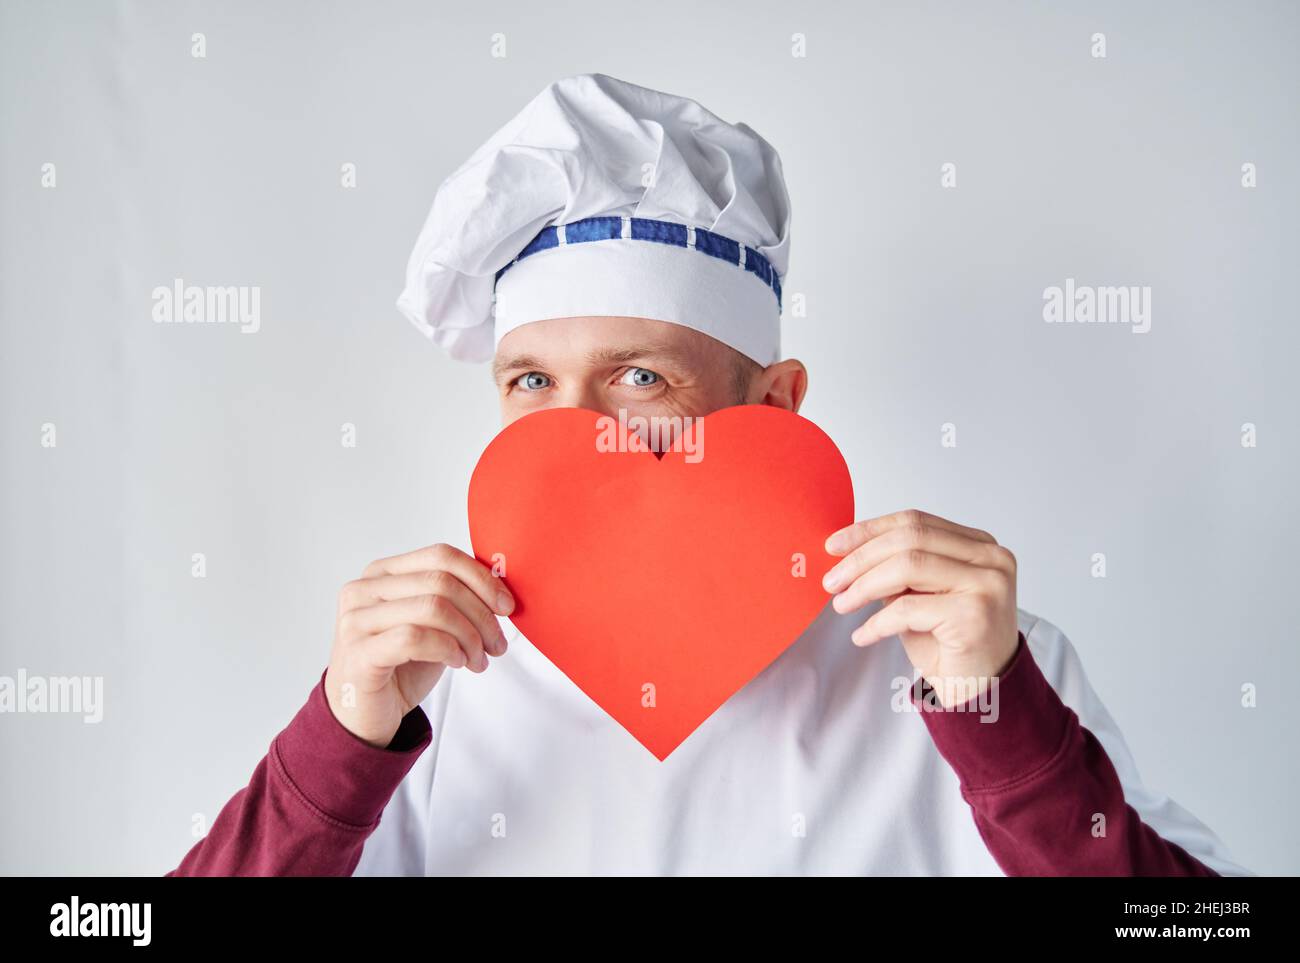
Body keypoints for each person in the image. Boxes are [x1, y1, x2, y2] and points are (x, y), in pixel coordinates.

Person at [167, 73, 1250, 876]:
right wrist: (336, 748)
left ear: (771, 407)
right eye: (530, 381)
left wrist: (1002, 724)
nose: (572, 430)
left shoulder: (965, 665)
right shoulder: (425, 687)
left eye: (640, 377)